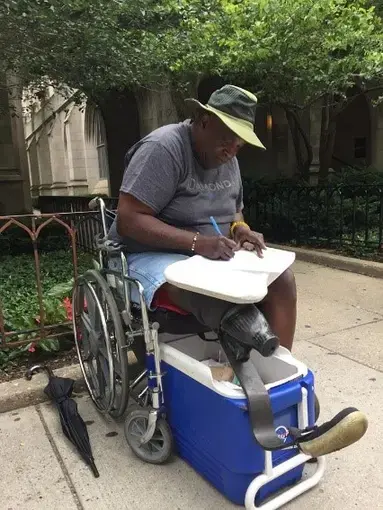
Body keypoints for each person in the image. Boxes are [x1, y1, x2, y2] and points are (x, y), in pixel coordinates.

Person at [109, 84, 367, 457]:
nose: (232, 149)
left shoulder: (227, 159)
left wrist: (240, 231)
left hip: (208, 254)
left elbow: (233, 213)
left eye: (240, 142)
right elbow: (129, 220)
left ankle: (280, 389)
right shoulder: (164, 149)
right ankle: (266, 410)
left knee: (281, 280)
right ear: (202, 121)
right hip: (150, 254)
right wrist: (198, 244)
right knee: (209, 292)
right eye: (227, 138)